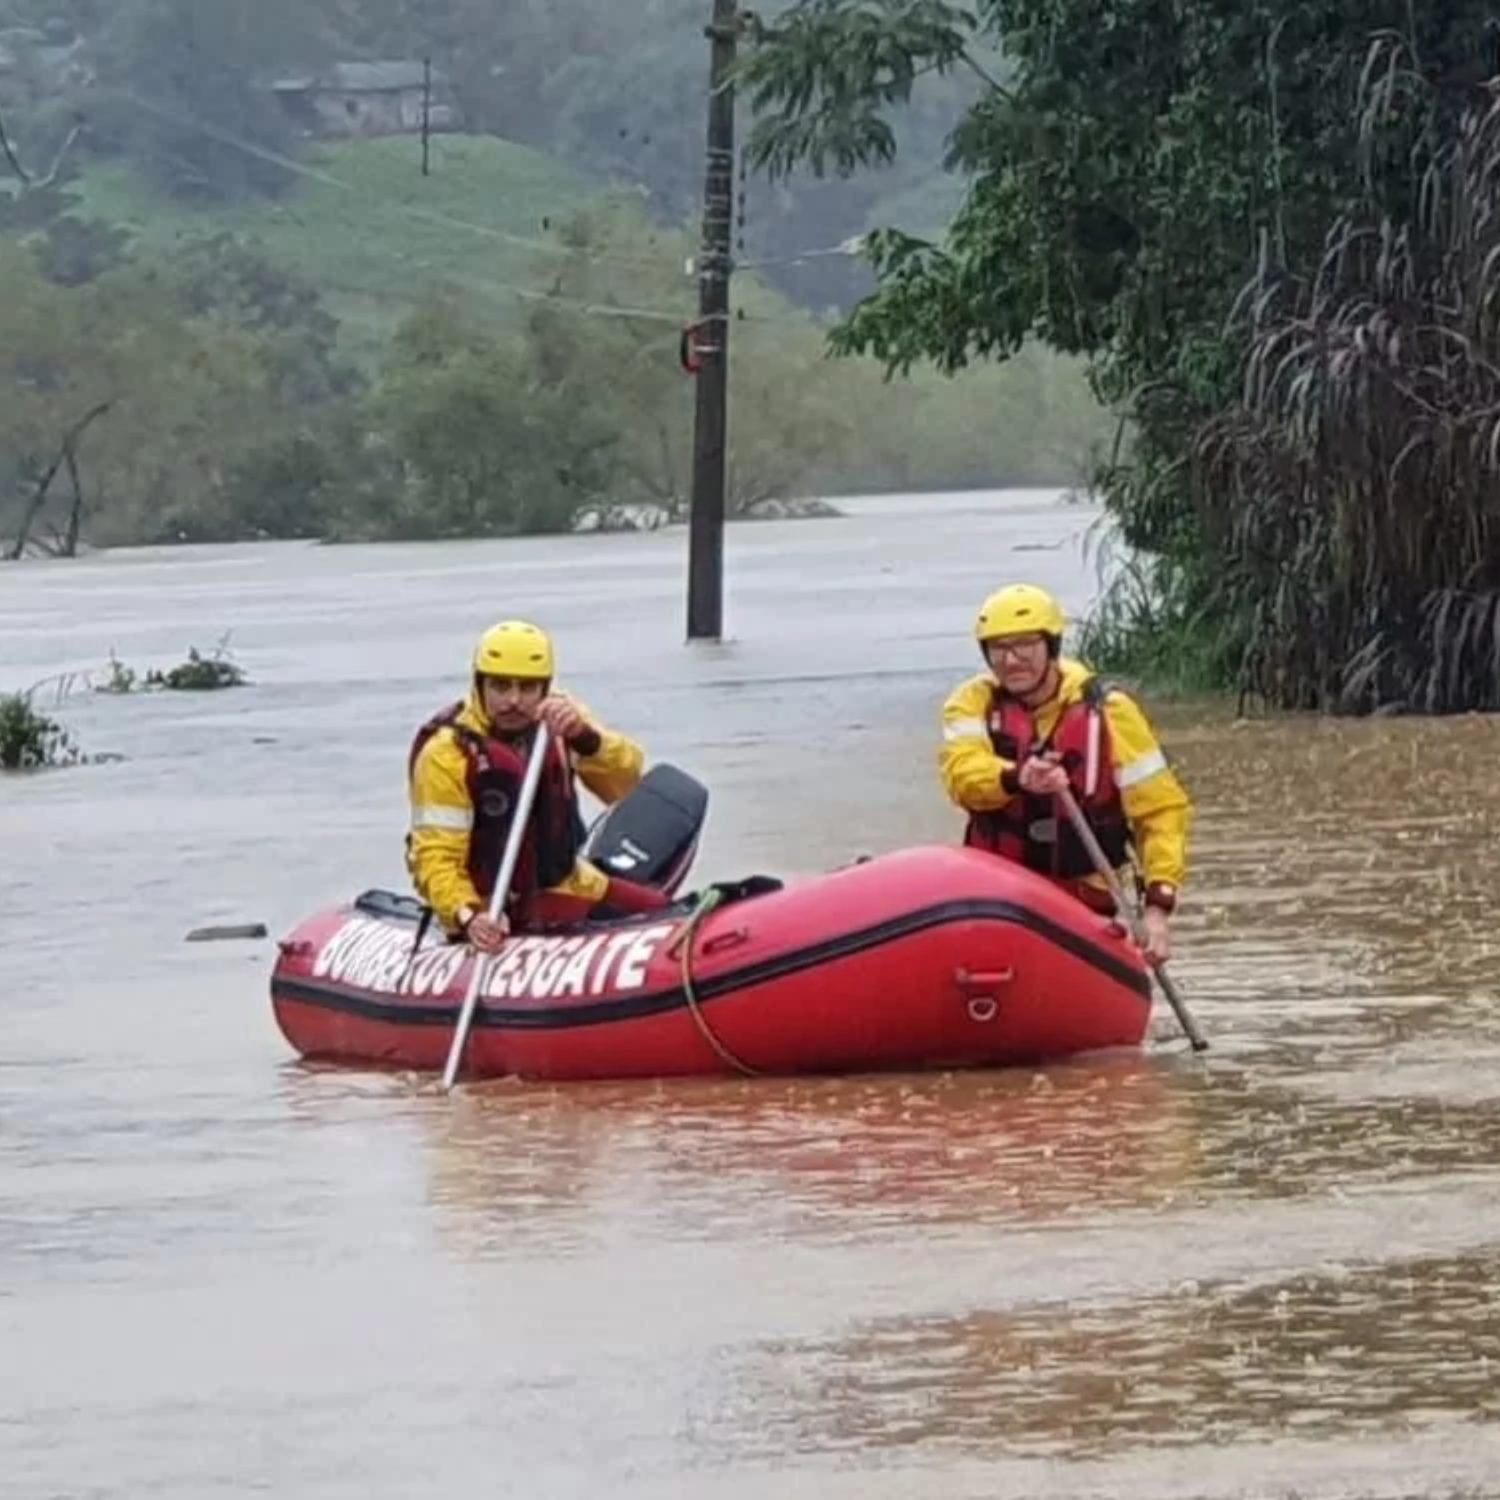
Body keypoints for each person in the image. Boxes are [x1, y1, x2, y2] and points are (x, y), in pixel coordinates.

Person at [938, 583, 1191, 962]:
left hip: (1082, 896)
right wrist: (1017, 777)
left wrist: (1157, 908)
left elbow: (1160, 812)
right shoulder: (972, 704)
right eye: (998, 648)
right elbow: (962, 774)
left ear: (1051, 646)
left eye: (1024, 645)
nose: (1010, 660)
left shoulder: (1109, 711)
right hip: (998, 896)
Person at [406, 619, 669, 952]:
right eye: (501, 687)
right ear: (480, 685)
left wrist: (586, 738)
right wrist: (469, 915)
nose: (513, 700)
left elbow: (624, 783)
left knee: (663, 913)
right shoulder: (447, 755)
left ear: (545, 689)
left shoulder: (561, 722)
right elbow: (435, 858)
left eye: (527, 688)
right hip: (489, 905)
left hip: (564, 885)